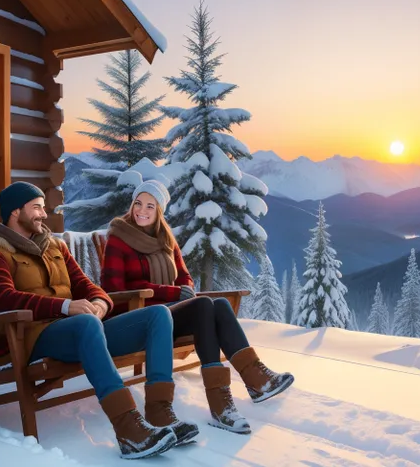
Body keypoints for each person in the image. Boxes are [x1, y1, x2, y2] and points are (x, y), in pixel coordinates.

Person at [0, 181, 198, 459]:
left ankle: (160, 412)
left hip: (82, 330)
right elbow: (3, 298)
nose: (43, 214)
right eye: (36, 208)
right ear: (15, 212)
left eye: (44, 207)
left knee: (158, 315)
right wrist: (66, 307)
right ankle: (128, 428)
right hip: (32, 337)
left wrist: (101, 304)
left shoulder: (53, 246)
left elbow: (87, 286)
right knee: (86, 324)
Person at [101, 180, 295, 434]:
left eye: (150, 205)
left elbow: (184, 276)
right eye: (138, 203)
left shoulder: (164, 239)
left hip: (169, 313)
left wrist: (185, 289)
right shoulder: (119, 238)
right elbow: (115, 290)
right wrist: (171, 292)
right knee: (204, 305)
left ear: (159, 211)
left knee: (220, 306)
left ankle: (253, 379)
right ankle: (223, 405)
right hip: (137, 319)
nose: (142, 210)